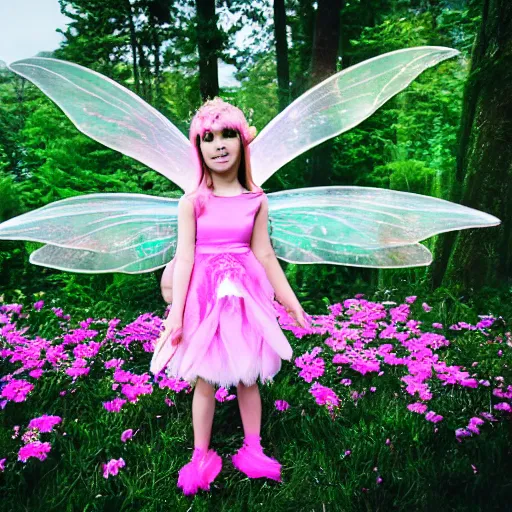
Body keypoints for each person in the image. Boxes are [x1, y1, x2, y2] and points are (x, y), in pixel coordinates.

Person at [151, 98, 308, 496]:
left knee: (247, 374)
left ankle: (252, 448)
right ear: (199, 148)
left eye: (227, 136)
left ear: (241, 143)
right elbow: (184, 257)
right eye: (208, 138)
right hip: (204, 298)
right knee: (204, 378)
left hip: (244, 298)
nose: (218, 145)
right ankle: (200, 454)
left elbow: (265, 254)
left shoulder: (256, 200)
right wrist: (175, 313)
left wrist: (291, 302)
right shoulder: (192, 202)